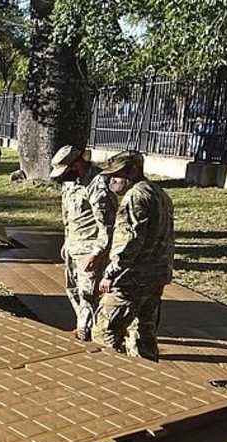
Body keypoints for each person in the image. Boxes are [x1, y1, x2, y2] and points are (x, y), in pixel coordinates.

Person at [95, 150, 174, 361]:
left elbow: (129, 241)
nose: (113, 180)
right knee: (144, 334)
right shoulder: (159, 193)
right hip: (155, 276)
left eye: (118, 174)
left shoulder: (135, 196)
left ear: (133, 171)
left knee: (105, 331)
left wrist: (110, 273)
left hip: (132, 278)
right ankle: (147, 376)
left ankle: (108, 376)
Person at [50, 145, 117, 341]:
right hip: (74, 246)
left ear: (77, 165)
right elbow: (68, 214)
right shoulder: (70, 183)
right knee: (73, 289)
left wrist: (97, 253)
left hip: (90, 249)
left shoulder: (98, 184)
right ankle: (83, 323)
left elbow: (107, 225)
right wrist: (66, 240)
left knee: (88, 293)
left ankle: (86, 332)